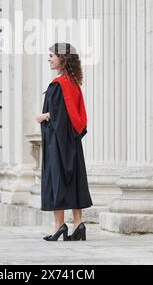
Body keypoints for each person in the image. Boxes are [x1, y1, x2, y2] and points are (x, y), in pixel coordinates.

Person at [36, 42, 93, 241]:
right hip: (73, 143)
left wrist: (43, 117)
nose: (49, 58)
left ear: (63, 59)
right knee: (74, 180)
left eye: (52, 55)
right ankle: (78, 224)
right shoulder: (74, 84)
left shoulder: (58, 85)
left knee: (56, 179)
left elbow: (58, 118)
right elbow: (75, 118)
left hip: (58, 144)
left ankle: (58, 225)